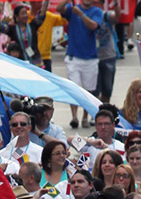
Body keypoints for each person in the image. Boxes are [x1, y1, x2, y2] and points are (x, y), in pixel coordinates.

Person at [58, 0, 103, 129]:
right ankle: (74, 117)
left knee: (88, 91)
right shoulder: (72, 9)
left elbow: (93, 26)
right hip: (73, 56)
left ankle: (85, 117)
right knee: (74, 88)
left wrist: (81, 15)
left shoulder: (96, 11)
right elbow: (59, 9)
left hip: (90, 57)